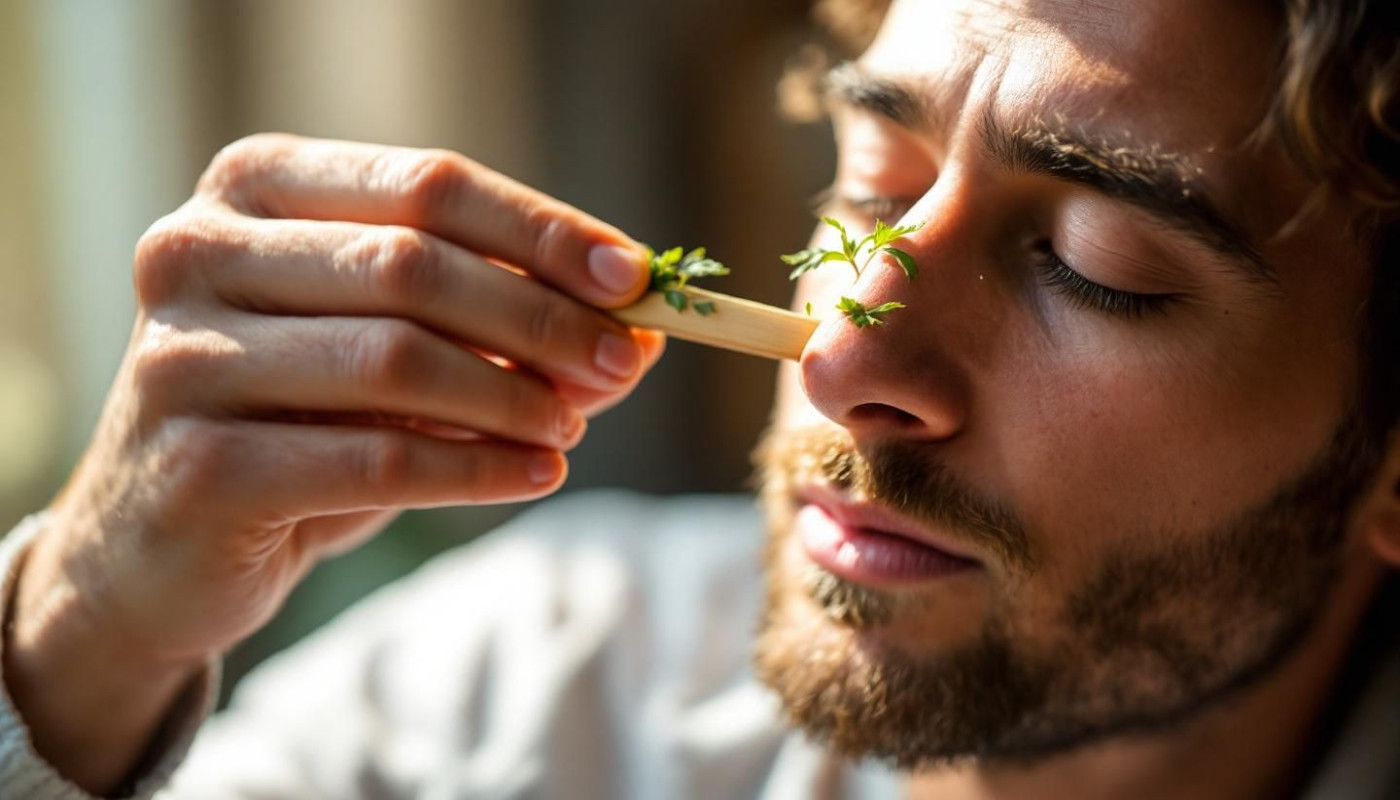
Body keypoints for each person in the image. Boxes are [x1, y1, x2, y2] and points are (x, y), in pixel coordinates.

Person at [3, 0, 1399, 797]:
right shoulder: (521, 707)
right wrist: (80, 641)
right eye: (875, 182)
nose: (842, 360)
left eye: (1096, 269)